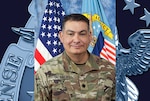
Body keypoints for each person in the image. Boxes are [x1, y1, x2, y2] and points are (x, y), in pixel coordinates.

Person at [34, 13, 116, 101]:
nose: (76, 40)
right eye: (70, 34)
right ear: (61, 36)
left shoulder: (109, 70)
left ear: (90, 36)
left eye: (82, 34)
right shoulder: (45, 72)